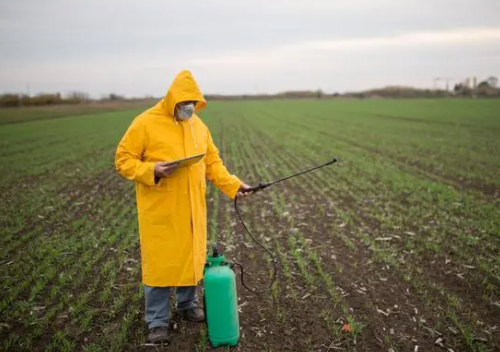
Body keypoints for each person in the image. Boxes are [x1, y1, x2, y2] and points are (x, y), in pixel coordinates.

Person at [115, 70, 250, 343]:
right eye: (183, 103)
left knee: (191, 259)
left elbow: (213, 164)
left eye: (192, 103)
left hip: (192, 209)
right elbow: (123, 160)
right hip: (160, 210)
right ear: (172, 99)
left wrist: (235, 186)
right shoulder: (145, 123)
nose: (188, 108)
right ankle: (157, 321)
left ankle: (187, 306)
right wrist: (152, 169)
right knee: (160, 266)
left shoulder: (198, 126)